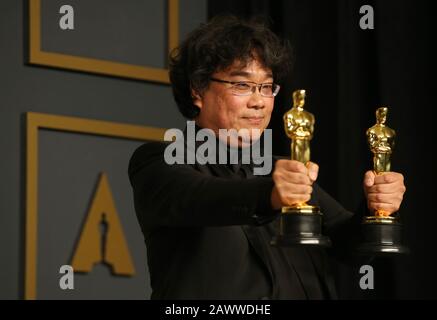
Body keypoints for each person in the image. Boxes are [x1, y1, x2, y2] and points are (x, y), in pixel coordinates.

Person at [128, 15, 406, 299]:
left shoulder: (280, 169)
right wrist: (272, 194)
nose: (259, 101)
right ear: (197, 90)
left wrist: (377, 208)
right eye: (242, 85)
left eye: (266, 87)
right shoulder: (159, 161)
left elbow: (351, 247)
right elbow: (204, 197)